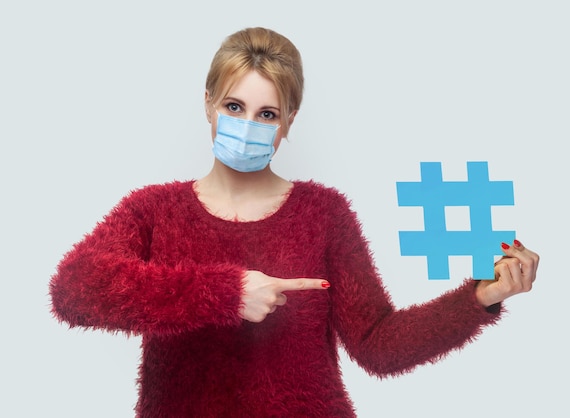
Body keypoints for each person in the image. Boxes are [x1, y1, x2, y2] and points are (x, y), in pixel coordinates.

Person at [49, 27, 540, 418]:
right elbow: (74, 289)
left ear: (288, 122)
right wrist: (228, 293)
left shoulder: (324, 214)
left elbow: (377, 346)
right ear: (208, 105)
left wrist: (480, 297)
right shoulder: (154, 211)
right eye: (234, 106)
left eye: (267, 114)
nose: (248, 125)